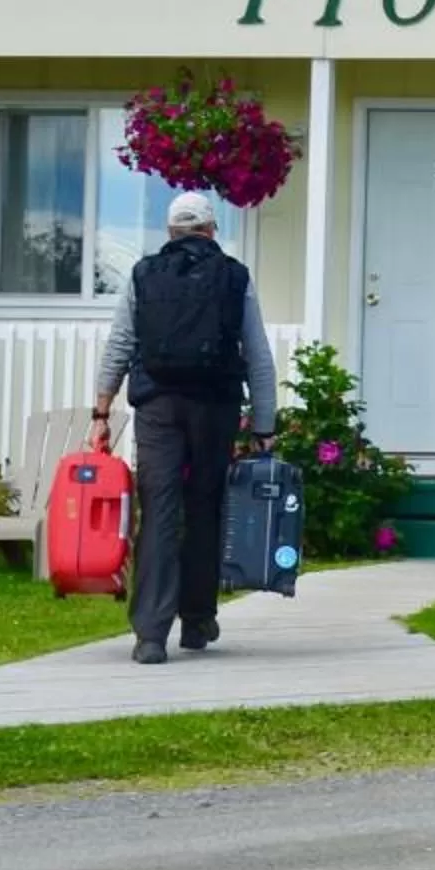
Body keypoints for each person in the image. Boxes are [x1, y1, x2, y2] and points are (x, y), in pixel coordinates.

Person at [92, 192, 278, 664]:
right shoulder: (235, 277)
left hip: (157, 406)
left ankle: (150, 636)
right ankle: (196, 620)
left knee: (158, 510)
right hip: (214, 407)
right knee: (205, 508)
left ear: (170, 232)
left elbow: (120, 344)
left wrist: (101, 412)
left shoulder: (143, 274)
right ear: (212, 231)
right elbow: (257, 354)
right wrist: (264, 424)